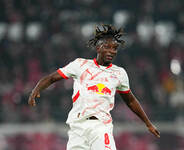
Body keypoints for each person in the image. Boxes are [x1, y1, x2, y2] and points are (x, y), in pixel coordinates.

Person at [28, 24, 160, 150]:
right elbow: (52, 77)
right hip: (77, 127)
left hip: (100, 126)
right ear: (98, 48)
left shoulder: (119, 73)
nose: (112, 51)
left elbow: (130, 100)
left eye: (114, 48)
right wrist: (36, 89)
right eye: (107, 47)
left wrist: (147, 123)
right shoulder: (80, 65)